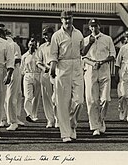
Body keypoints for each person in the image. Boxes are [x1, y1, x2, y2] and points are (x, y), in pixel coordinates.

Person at [49, 11, 84, 142]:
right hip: (62, 67)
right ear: (61, 20)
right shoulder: (56, 35)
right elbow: (53, 54)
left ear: (72, 18)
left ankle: (72, 126)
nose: (68, 21)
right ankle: (65, 134)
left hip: (77, 66)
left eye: (69, 18)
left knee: (79, 101)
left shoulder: (78, 33)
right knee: (62, 103)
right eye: (65, 19)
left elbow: (82, 50)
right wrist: (52, 68)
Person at [82, 18, 116, 136]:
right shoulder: (85, 39)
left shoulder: (107, 39)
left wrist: (102, 61)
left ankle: (101, 121)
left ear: (99, 26)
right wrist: (90, 43)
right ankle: (95, 126)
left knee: (105, 99)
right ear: (89, 27)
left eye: (95, 26)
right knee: (92, 100)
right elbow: (82, 55)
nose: (93, 28)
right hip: (90, 70)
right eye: (91, 26)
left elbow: (112, 55)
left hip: (104, 69)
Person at [0, 27, 24, 130]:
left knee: (11, 97)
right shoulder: (1, 44)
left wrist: (7, 66)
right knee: (3, 97)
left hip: (13, 71)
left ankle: (13, 121)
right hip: (4, 71)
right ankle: (3, 119)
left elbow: (17, 59)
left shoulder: (12, 45)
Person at [37, 27, 58, 128]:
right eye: (44, 34)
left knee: (56, 98)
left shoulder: (58, 44)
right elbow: (38, 62)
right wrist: (44, 68)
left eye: (47, 34)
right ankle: (50, 120)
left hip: (56, 73)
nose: (45, 36)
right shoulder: (42, 47)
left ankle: (58, 119)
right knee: (47, 98)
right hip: (45, 74)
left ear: (52, 34)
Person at [20, 38, 41, 123]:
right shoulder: (24, 56)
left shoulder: (39, 54)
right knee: (28, 96)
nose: (32, 46)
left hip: (37, 75)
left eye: (34, 45)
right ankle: (29, 114)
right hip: (28, 75)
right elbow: (21, 69)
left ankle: (34, 115)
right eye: (31, 45)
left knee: (36, 97)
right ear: (28, 45)